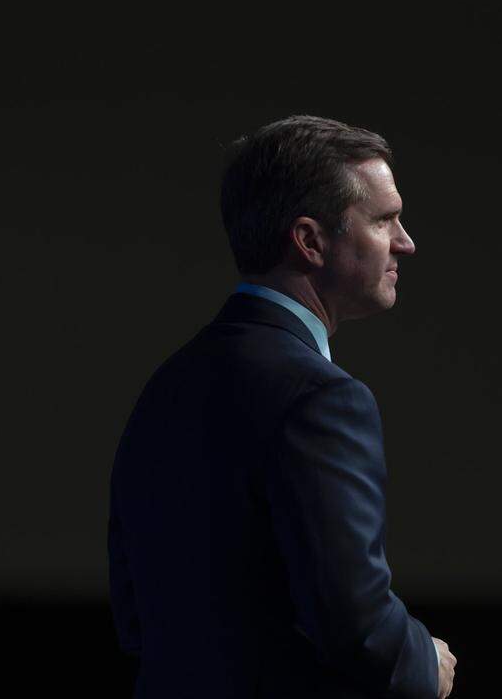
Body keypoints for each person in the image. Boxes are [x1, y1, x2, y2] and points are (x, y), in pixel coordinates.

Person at [108, 116, 456, 698]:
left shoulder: (167, 384)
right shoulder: (321, 399)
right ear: (310, 240)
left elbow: (134, 617)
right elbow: (357, 628)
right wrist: (426, 663)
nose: (406, 242)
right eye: (383, 219)